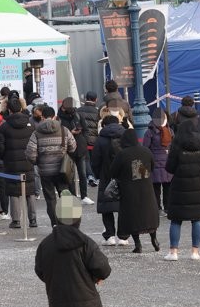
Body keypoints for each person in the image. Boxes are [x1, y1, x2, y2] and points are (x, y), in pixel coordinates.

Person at [164, 116, 200, 261]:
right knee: (197, 219)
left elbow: (169, 168)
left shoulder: (177, 147)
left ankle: (173, 252)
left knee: (176, 220)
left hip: (179, 186)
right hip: (197, 186)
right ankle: (195, 251)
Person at [26, 105, 76, 228]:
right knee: (65, 195)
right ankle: (68, 222)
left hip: (45, 171)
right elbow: (73, 147)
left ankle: (55, 223)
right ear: (54, 116)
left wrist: (38, 162)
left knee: (50, 199)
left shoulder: (36, 133)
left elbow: (30, 153)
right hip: (62, 170)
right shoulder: (64, 130)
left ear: (42, 117)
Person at [113, 129, 161, 252]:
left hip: (129, 190)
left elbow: (113, 171)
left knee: (133, 217)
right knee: (149, 214)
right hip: (146, 188)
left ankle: (138, 244)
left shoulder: (122, 154)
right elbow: (152, 166)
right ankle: (154, 240)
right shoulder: (146, 151)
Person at [0, 99, 38, 229]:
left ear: (9, 109)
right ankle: (33, 219)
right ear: (21, 108)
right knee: (29, 190)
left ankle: (16, 220)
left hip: (11, 162)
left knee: (13, 191)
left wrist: (4, 157)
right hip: (28, 161)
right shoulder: (30, 124)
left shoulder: (4, 126)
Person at [92, 115, 129, 245]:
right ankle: (123, 236)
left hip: (106, 175)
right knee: (124, 206)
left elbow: (95, 160)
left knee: (106, 206)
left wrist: (98, 175)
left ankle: (110, 235)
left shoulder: (101, 139)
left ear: (104, 125)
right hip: (123, 176)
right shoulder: (125, 136)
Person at [58, 97, 93, 205]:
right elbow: (60, 134)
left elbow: (86, 130)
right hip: (68, 150)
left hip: (81, 148)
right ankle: (72, 196)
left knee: (82, 173)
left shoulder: (78, 115)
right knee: (70, 175)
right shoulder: (59, 118)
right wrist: (71, 133)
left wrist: (84, 140)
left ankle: (84, 195)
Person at [143, 108, 174, 213]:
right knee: (167, 187)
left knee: (155, 188)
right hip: (167, 162)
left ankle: (157, 208)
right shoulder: (170, 131)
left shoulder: (149, 132)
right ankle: (168, 207)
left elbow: (145, 148)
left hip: (154, 162)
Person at [77, 92, 101, 185]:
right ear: (95, 99)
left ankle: (89, 176)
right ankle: (94, 176)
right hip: (95, 139)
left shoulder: (79, 110)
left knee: (85, 159)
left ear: (85, 98)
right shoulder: (98, 111)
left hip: (82, 138)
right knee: (94, 159)